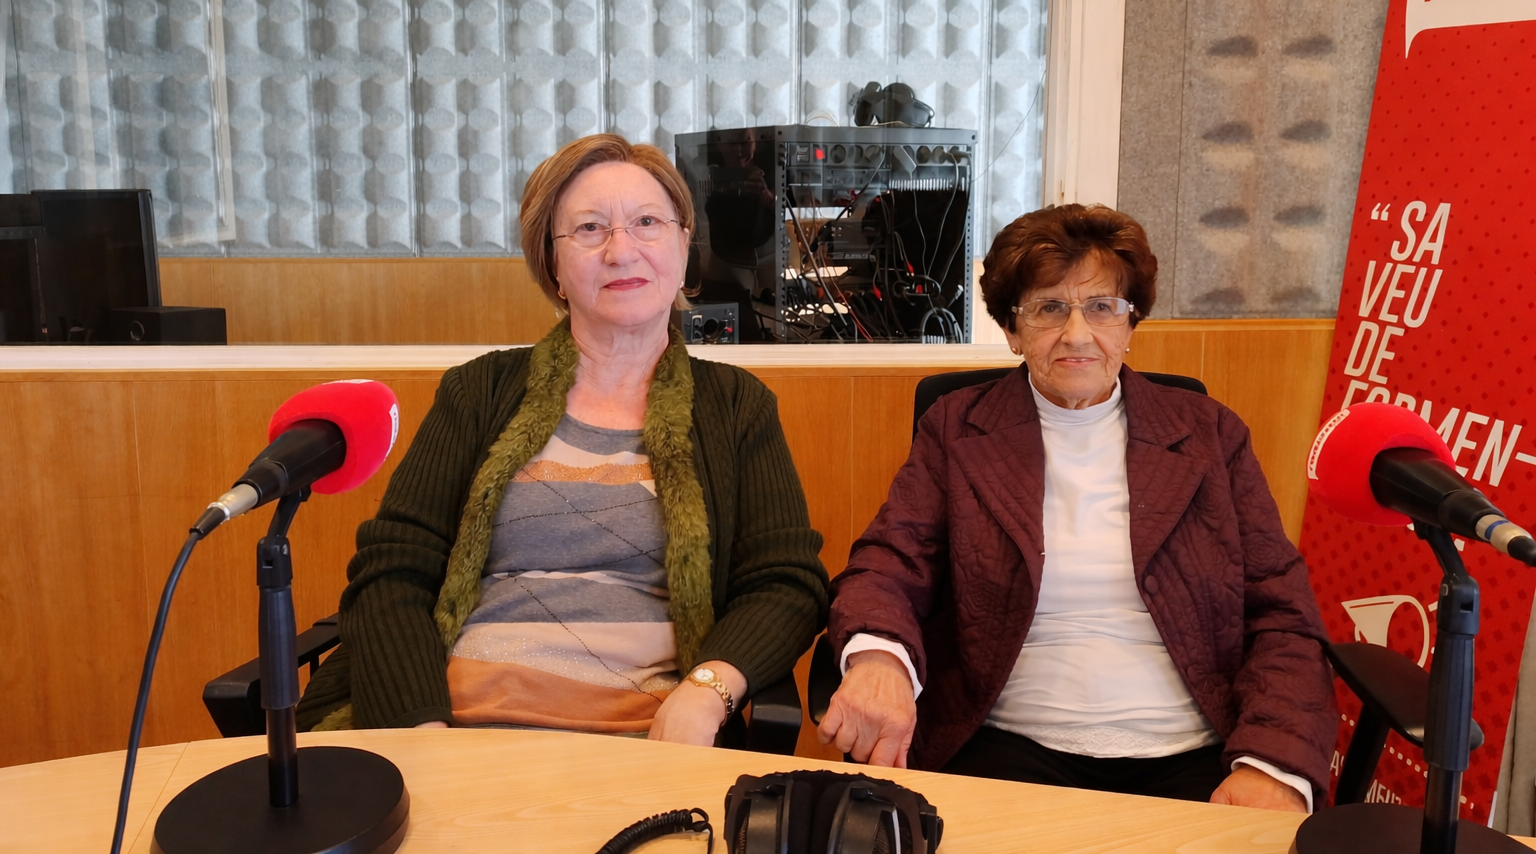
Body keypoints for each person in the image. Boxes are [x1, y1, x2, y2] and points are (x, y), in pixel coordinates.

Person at [297, 133, 828, 745]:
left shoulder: (736, 406)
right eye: (590, 229)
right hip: (456, 732)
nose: (621, 251)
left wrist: (708, 692)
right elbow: (394, 568)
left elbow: (784, 581)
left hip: (646, 744)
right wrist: (423, 732)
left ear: (684, 246)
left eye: (647, 223)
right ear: (553, 264)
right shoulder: (479, 391)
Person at [815, 204, 1336, 810]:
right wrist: (879, 658)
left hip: (1194, 752)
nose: (1078, 334)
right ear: (1012, 330)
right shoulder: (956, 428)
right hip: (1006, 744)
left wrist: (1273, 764)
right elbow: (889, 562)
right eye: (1049, 308)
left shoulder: (1210, 434)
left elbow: (1282, 612)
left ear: (1130, 323)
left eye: (1102, 307)